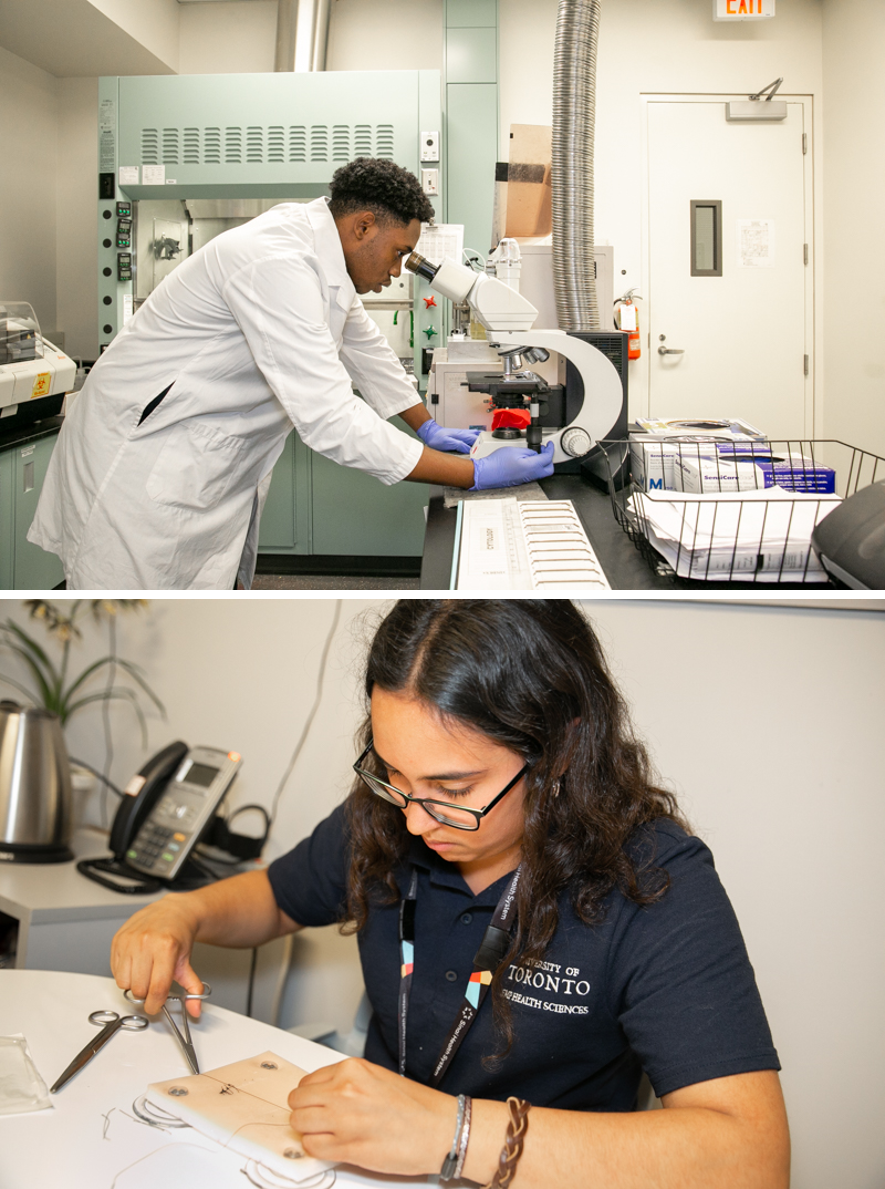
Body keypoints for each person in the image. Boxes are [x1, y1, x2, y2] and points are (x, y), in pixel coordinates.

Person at [111, 600, 789, 1188]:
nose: (413, 819)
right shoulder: (391, 810)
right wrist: (183, 910)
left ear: (558, 750)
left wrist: (452, 1131)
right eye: (393, 773)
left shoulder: (653, 876)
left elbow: (751, 1159)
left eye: (454, 789)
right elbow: (277, 897)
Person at [28, 161, 553, 590]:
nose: (397, 271)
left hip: (199, 457)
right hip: (141, 464)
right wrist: (472, 475)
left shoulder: (320, 254)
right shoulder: (274, 259)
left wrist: (426, 427)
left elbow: (363, 346)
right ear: (363, 225)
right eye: (397, 254)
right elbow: (330, 418)